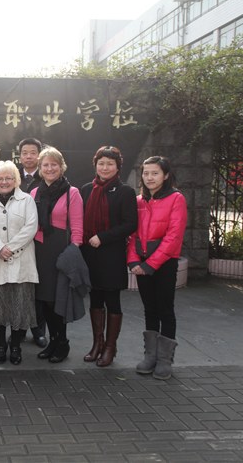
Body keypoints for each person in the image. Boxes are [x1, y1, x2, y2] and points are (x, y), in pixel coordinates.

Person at [128, 156, 187, 380]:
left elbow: (174, 237)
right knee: (149, 309)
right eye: (146, 173)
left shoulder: (176, 199)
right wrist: (134, 261)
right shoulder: (139, 201)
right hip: (141, 263)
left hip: (164, 264)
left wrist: (151, 265)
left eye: (154, 173)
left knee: (165, 310)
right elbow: (132, 234)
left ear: (165, 175)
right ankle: (150, 356)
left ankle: (165, 360)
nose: (149, 177)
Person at [0, 161, 39, 365]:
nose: (4, 182)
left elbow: (31, 228)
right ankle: (1, 345)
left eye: (9, 178)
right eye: (0, 178)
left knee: (20, 308)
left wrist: (10, 248)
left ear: (16, 180)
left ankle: (16, 346)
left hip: (21, 262)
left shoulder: (27, 200)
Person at [80, 146, 138, 367]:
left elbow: (130, 224)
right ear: (95, 165)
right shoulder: (86, 189)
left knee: (112, 301)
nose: (105, 168)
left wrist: (103, 237)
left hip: (111, 253)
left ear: (117, 167)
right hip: (90, 253)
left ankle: (110, 348)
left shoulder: (125, 192)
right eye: (101, 163)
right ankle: (97, 344)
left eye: (110, 164)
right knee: (95, 299)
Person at [30, 147, 84, 363]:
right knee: (43, 301)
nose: (50, 168)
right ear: (40, 169)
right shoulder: (34, 193)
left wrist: (74, 249)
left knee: (58, 301)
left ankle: (62, 343)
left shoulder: (72, 193)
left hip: (61, 252)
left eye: (54, 164)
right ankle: (52, 341)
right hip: (39, 250)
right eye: (45, 165)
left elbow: (78, 227)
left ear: (61, 167)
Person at [16, 137, 47, 348]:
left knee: (39, 288)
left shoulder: (47, 176)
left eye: (33, 152)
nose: (28, 156)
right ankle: (18, 331)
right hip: (15, 242)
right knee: (19, 288)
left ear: (39, 155)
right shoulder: (13, 176)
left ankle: (38, 330)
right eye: (24, 152)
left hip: (40, 241)